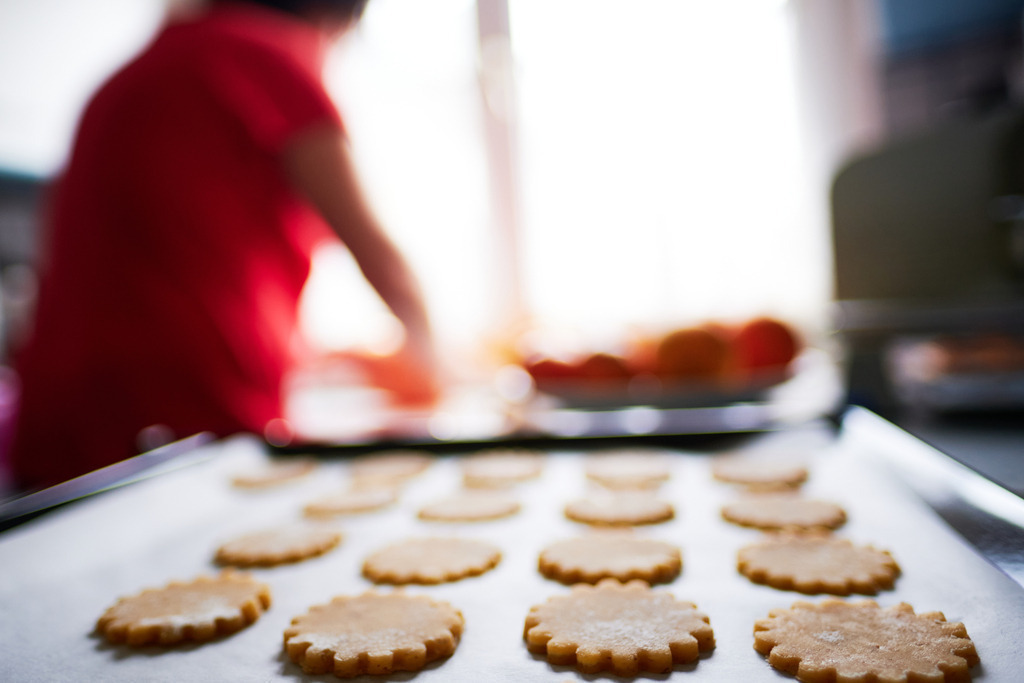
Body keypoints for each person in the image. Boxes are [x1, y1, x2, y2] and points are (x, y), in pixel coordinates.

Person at [9, 0, 439, 491]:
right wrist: (436, 367)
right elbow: (380, 257)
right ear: (334, 19)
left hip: (55, 431)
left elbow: (154, 274)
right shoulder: (267, 54)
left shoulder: (139, 70)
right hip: (177, 432)